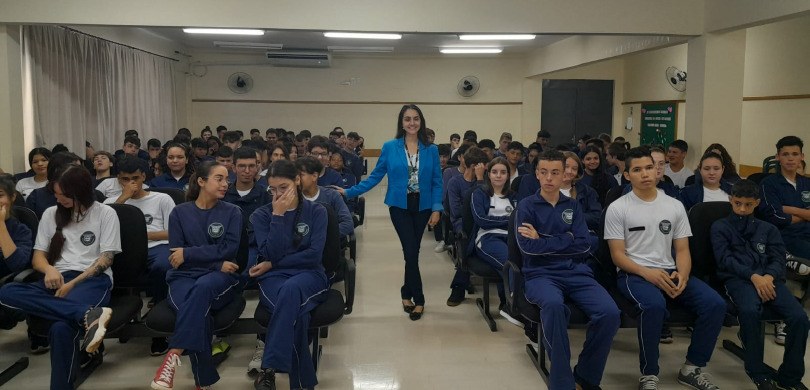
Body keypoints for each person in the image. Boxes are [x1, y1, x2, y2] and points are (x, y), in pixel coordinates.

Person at [604, 147, 726, 390]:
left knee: (715, 304)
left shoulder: (674, 205)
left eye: (649, 167)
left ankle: (692, 368)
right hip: (634, 273)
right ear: (627, 175)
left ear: (657, 170)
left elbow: (682, 250)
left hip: (670, 269)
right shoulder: (618, 208)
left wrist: (683, 274)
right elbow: (618, 256)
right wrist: (647, 273)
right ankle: (649, 373)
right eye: (637, 170)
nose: (645, 174)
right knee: (654, 306)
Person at [0, 166, 118, 390]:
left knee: (61, 327)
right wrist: (49, 270)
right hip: (56, 277)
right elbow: (38, 258)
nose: (58, 199)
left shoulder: (105, 213)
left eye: (64, 195)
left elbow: (106, 260)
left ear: (81, 192)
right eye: (56, 194)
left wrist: (73, 283)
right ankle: (86, 314)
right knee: (7, 292)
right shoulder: (50, 214)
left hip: (91, 279)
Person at [516, 150, 619, 390]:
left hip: (576, 271)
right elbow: (528, 248)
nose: (549, 178)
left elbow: (584, 244)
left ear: (565, 175)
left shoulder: (572, 205)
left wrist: (544, 238)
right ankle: (561, 383)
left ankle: (586, 376)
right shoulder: (526, 205)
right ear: (537, 175)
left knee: (610, 313)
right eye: (544, 172)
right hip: (540, 274)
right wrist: (566, 238)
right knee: (553, 307)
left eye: (555, 172)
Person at [334, 104, 442, 320]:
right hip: (399, 206)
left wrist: (437, 208)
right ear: (401, 123)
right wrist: (348, 191)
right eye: (407, 119)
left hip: (424, 206)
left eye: (416, 119)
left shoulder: (431, 149)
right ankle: (419, 299)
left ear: (421, 122)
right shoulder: (390, 147)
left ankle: (405, 293)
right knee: (410, 252)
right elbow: (375, 177)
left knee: (413, 252)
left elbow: (437, 182)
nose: (412, 123)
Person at [150, 161, 242, 390]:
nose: (225, 184)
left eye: (226, 179)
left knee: (201, 290)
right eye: (218, 179)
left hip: (217, 280)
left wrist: (190, 254)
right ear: (201, 182)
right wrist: (216, 263)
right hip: (184, 276)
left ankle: (173, 353)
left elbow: (228, 250)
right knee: (198, 312)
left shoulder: (232, 212)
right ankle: (204, 381)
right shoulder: (180, 213)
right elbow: (175, 255)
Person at [712, 179, 809, 390]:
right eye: (738, 203)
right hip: (738, 280)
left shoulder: (769, 229)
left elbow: (778, 259)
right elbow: (725, 260)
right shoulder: (720, 227)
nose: (743, 209)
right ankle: (756, 370)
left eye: (748, 204)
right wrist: (753, 276)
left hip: (769, 280)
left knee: (800, 317)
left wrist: (768, 277)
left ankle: (790, 377)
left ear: (756, 203)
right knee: (749, 310)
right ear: (730, 200)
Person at [247, 159, 328, 390]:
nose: (278, 194)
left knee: (291, 291)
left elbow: (313, 256)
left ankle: (269, 366)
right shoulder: (262, 215)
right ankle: (303, 384)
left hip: (309, 275)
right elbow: (269, 252)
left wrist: (273, 264)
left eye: (283, 187)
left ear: (297, 181)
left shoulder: (317, 211)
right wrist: (278, 216)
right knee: (297, 316)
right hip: (274, 279)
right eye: (273, 189)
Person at [105, 157, 175, 356]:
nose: (131, 184)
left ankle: (160, 326)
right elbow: (105, 228)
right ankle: (119, 318)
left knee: (163, 266)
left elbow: (173, 232)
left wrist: (140, 234)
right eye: (125, 179)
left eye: (135, 178)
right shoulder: (110, 203)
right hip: (123, 250)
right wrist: (123, 199)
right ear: (118, 179)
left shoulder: (162, 199)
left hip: (156, 247)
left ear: (144, 176)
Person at [469, 157, 519, 322]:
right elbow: (481, 220)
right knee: (509, 262)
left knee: (525, 262)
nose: (499, 176)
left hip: (512, 237)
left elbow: (521, 219)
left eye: (503, 172)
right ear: (488, 174)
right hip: (487, 237)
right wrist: (509, 221)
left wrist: (510, 223)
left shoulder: (514, 196)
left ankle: (507, 303)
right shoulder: (479, 193)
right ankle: (515, 307)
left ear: (508, 175)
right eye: (495, 172)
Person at [444, 147, 488, 304]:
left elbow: (486, 208)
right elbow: (456, 212)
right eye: (483, 165)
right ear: (474, 165)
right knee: (468, 235)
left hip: (481, 221)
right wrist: (480, 181)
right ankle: (459, 285)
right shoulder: (455, 182)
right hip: (461, 223)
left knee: (471, 239)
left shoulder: (484, 181)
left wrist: (482, 180)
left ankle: (458, 286)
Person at [759, 136, 810, 261]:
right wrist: (806, 215)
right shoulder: (768, 183)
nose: (791, 158)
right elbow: (775, 217)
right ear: (778, 157)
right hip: (786, 237)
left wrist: (788, 209)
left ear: (802, 157)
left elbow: (780, 211)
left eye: (795, 154)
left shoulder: (807, 183)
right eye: (785, 154)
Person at [27, 152, 82, 220]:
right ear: (57, 171)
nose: (81, 173)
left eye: (81, 168)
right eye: (75, 170)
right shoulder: (36, 196)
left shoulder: (89, 194)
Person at [0, 174, 33, 278]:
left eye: (0, 195)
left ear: (13, 197)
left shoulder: (21, 230)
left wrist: (1, 224)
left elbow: (17, 265)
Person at [560, 151, 602, 232]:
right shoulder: (547, 190)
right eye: (566, 167)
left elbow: (597, 218)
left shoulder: (587, 191)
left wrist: (572, 217)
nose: (569, 171)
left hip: (581, 237)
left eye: (574, 169)